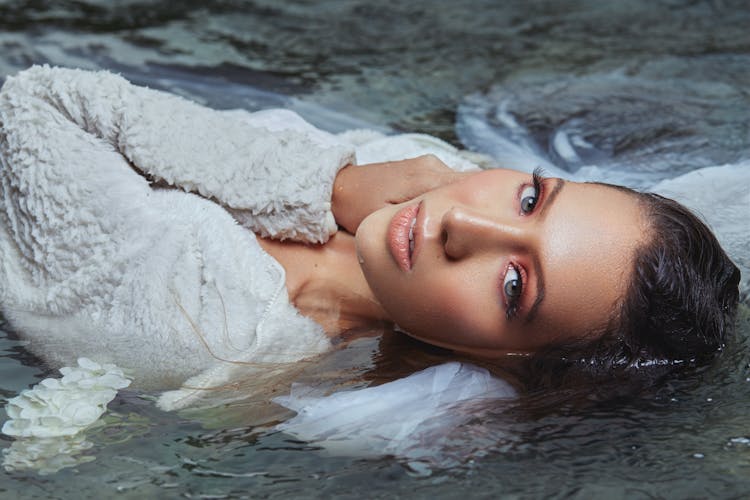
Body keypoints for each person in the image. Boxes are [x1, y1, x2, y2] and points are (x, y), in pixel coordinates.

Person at [0, 66, 741, 409]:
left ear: (506, 365)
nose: (464, 222)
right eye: (529, 196)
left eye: (515, 286)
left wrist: (329, 186)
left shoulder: (202, 327)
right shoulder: (434, 181)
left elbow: (35, 105)